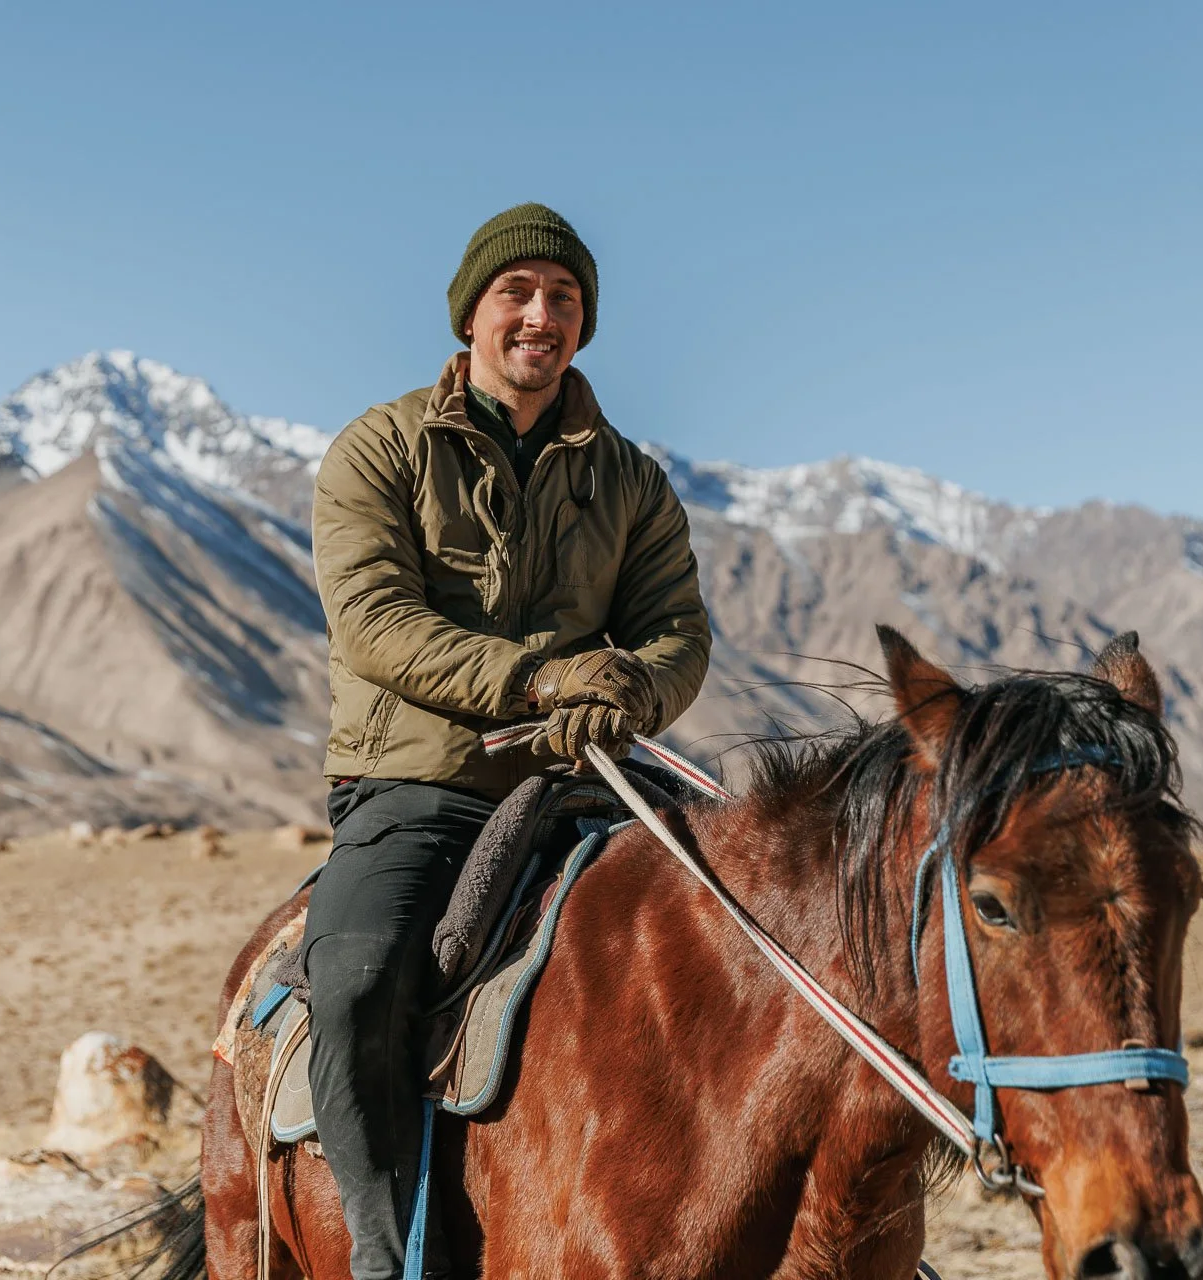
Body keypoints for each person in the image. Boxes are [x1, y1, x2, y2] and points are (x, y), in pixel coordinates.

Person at [304, 203, 711, 1279]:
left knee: (754, 932)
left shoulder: (630, 479)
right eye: (517, 294)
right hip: (420, 779)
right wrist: (537, 678)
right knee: (352, 978)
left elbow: (678, 629)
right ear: (472, 314)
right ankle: (385, 1251)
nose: (542, 315)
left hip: (587, 780)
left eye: (564, 298)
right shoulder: (381, 449)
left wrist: (628, 687)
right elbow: (376, 621)